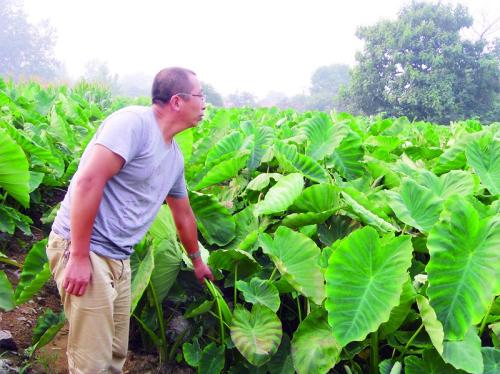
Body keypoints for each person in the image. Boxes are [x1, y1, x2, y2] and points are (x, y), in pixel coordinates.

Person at [46, 67, 214, 373]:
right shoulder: (133, 124)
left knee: (113, 357)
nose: (205, 104)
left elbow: (183, 213)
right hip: (86, 248)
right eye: (200, 96)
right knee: (91, 363)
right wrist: (80, 255)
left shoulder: (173, 156)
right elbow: (88, 182)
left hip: (119, 258)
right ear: (177, 101)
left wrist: (197, 260)